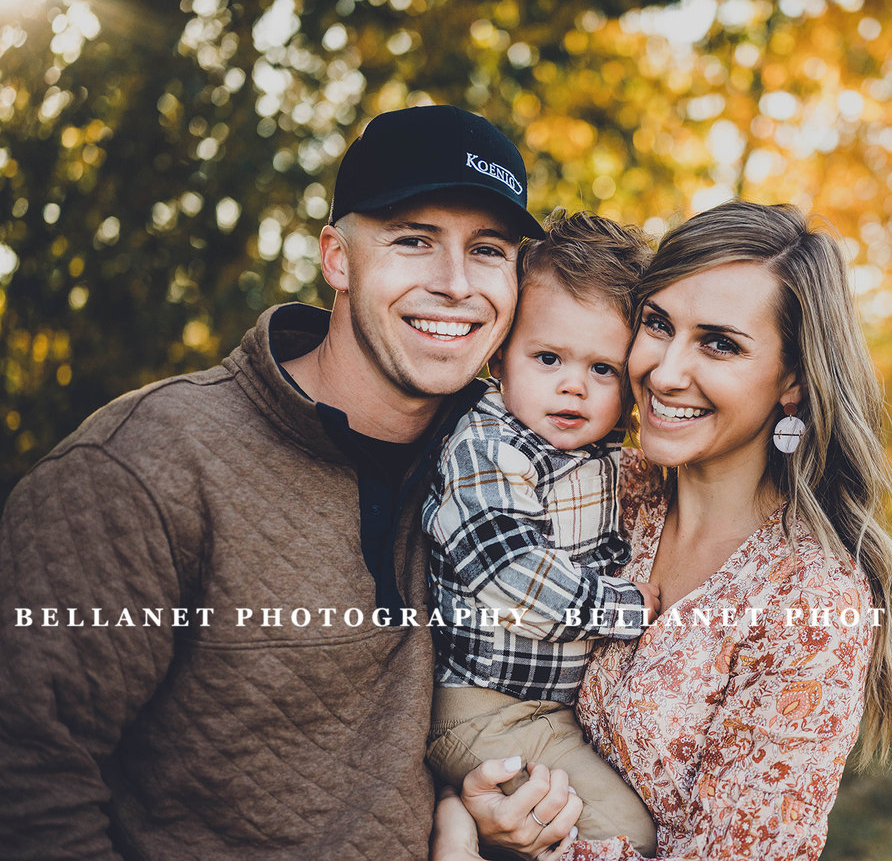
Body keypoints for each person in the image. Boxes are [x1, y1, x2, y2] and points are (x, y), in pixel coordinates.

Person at [0, 104, 549, 860]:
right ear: (337, 258)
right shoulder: (146, 464)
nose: (456, 283)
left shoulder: (516, 467)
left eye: (488, 250)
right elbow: (26, 769)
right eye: (413, 240)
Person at [436, 199, 892, 861]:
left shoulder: (811, 599)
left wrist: (520, 847)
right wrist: (461, 801)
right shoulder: (605, 487)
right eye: (657, 324)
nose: (665, 372)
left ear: (791, 380)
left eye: (719, 343)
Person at [423, 211, 659, 853]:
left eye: (603, 369)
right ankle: (455, 823)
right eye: (548, 357)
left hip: (546, 707)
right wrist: (629, 610)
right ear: (500, 355)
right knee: (624, 832)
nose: (572, 386)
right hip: (481, 705)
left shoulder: (605, 453)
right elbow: (509, 576)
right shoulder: (490, 445)